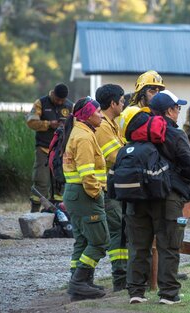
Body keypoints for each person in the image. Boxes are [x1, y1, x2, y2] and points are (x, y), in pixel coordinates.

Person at [124, 90, 190, 305]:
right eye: (177, 108)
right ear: (169, 111)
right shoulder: (175, 134)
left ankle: (136, 292)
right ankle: (168, 294)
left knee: (138, 246)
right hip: (167, 198)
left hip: (137, 197)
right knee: (168, 246)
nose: (179, 112)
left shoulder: (136, 133)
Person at [62, 97, 109, 301]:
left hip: (76, 194)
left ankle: (80, 282)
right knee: (100, 241)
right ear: (88, 114)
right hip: (85, 194)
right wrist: (96, 193)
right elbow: (87, 173)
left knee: (82, 240)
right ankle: (79, 283)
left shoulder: (82, 132)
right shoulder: (83, 137)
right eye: (98, 111)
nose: (101, 115)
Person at [94, 84, 128, 292]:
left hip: (114, 186)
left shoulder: (112, 124)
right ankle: (120, 279)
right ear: (113, 103)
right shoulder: (104, 126)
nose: (124, 103)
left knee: (122, 230)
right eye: (122, 100)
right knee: (118, 232)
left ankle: (123, 276)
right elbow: (115, 157)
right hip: (107, 188)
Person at [26, 83, 73, 212]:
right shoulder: (41, 103)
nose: (59, 102)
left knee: (59, 184)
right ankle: (34, 213)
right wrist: (48, 124)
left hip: (60, 151)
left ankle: (56, 216)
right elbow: (31, 122)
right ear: (53, 94)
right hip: (44, 149)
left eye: (62, 100)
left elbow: (75, 126)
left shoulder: (70, 106)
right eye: (57, 99)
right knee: (41, 182)